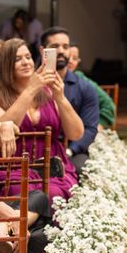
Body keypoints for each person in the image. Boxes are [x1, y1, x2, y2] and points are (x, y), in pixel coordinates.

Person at [0, 39, 83, 202]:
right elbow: (3, 126)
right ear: (5, 66)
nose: (26, 62)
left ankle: (18, 226)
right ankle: (19, 226)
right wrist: (30, 90)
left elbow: (76, 133)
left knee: (53, 193)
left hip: (51, 167)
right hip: (13, 168)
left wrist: (60, 98)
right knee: (20, 192)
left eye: (27, 57)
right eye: (17, 59)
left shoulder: (48, 93)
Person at [40, 27, 99, 176]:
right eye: (54, 47)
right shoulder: (31, 83)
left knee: (81, 169)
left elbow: (90, 129)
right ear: (43, 50)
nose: (61, 51)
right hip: (36, 148)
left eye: (65, 47)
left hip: (72, 149)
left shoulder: (85, 88)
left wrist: (70, 150)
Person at [68, 43, 116, 130]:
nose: (70, 61)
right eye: (67, 57)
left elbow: (108, 105)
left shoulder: (82, 80)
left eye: (74, 58)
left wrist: (98, 125)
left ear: (78, 62)